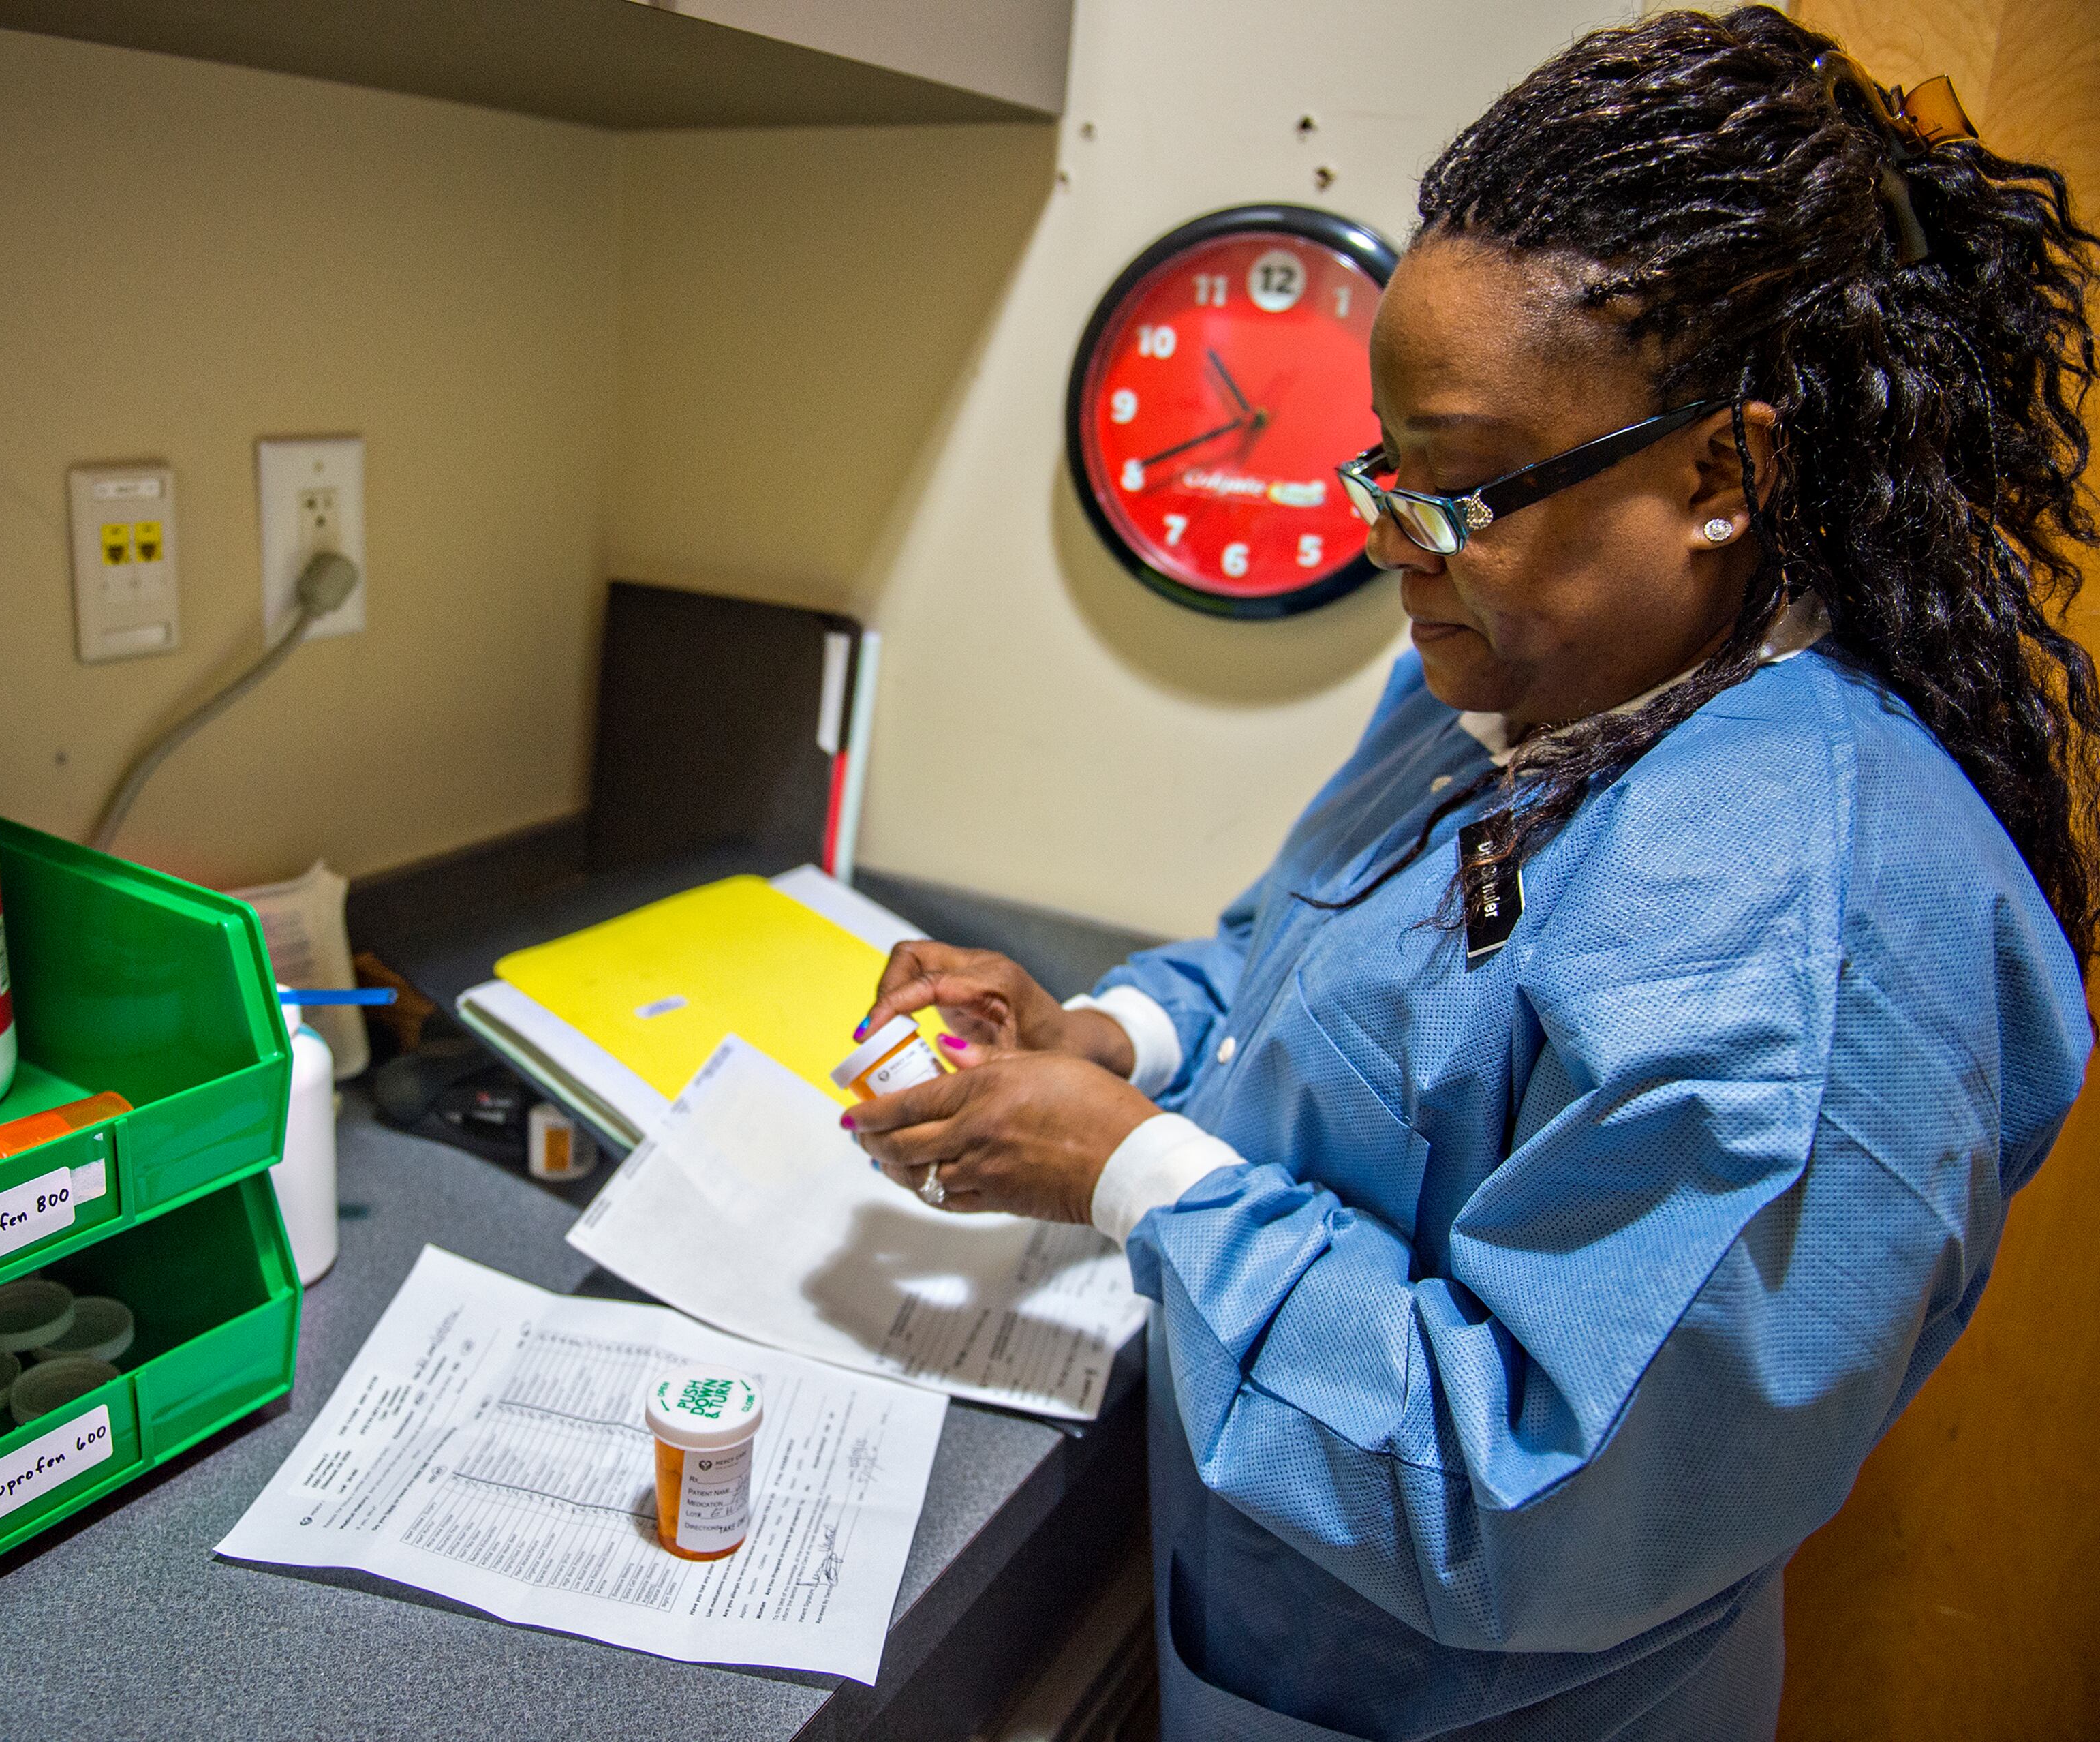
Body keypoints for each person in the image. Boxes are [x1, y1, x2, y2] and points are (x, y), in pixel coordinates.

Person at [845, 10, 2098, 1737]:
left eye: (1456, 488)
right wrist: (1109, 1036)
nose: (1386, 544)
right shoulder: (1509, 676)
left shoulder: (1825, 948)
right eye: (1387, 466)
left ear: (1723, 474)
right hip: (1280, 1639)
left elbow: (1528, 1494)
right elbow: (1299, 954)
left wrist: (1138, 1181)